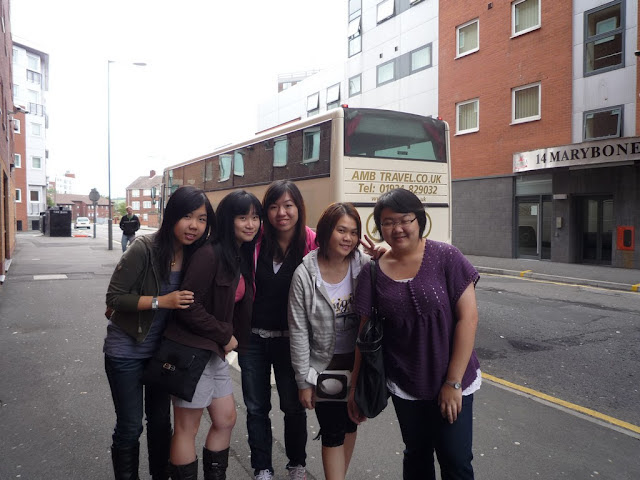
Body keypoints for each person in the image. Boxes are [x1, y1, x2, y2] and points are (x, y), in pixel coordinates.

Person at [348, 188, 481, 480]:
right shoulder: (373, 272)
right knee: (416, 456)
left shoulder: (446, 256)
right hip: (405, 383)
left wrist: (453, 382)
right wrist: (355, 387)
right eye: (387, 222)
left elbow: (468, 318)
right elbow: (364, 336)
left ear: (419, 219)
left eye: (404, 219)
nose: (397, 228)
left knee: (456, 460)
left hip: (453, 379)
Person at [104, 186, 215, 480]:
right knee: (130, 426)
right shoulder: (143, 248)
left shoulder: (196, 255)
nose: (194, 225)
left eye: (202, 219)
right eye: (187, 216)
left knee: (160, 423)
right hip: (125, 351)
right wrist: (161, 301)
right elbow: (114, 298)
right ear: (172, 216)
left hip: (162, 354)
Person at [165, 190, 262, 480]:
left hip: (215, 352)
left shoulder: (240, 255)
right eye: (242, 217)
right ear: (227, 220)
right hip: (191, 351)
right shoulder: (210, 254)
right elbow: (187, 305)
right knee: (187, 428)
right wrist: (225, 334)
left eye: (255, 217)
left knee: (226, 418)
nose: (250, 224)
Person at [238, 180, 316, 480]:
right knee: (256, 407)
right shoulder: (254, 242)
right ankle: (262, 467)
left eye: (288, 205)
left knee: (293, 406)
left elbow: (344, 260)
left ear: (298, 208)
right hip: (253, 339)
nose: (281, 213)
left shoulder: (313, 243)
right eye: (273, 206)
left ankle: (297, 464)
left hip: (292, 342)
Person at [288, 203, 369, 480]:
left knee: (351, 423)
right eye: (341, 230)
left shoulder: (365, 266)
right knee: (332, 431)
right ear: (326, 231)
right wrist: (303, 381)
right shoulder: (304, 274)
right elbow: (298, 331)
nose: (348, 238)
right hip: (326, 364)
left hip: (358, 362)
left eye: (354, 232)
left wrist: (385, 257)